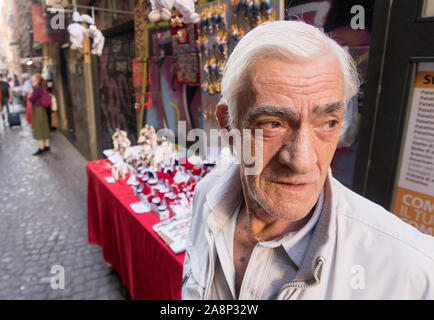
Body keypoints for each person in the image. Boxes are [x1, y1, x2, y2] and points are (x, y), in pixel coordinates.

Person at [182, 21, 434, 300]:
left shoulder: (413, 273)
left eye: (327, 122)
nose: (302, 161)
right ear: (228, 127)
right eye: (273, 123)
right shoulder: (207, 195)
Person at [29, 73, 51, 156]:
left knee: (38, 128)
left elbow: (32, 99)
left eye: (33, 77)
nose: (31, 79)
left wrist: (30, 95)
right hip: (41, 109)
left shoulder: (37, 88)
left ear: (36, 79)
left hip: (38, 110)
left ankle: (41, 148)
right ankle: (47, 146)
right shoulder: (40, 87)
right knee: (44, 126)